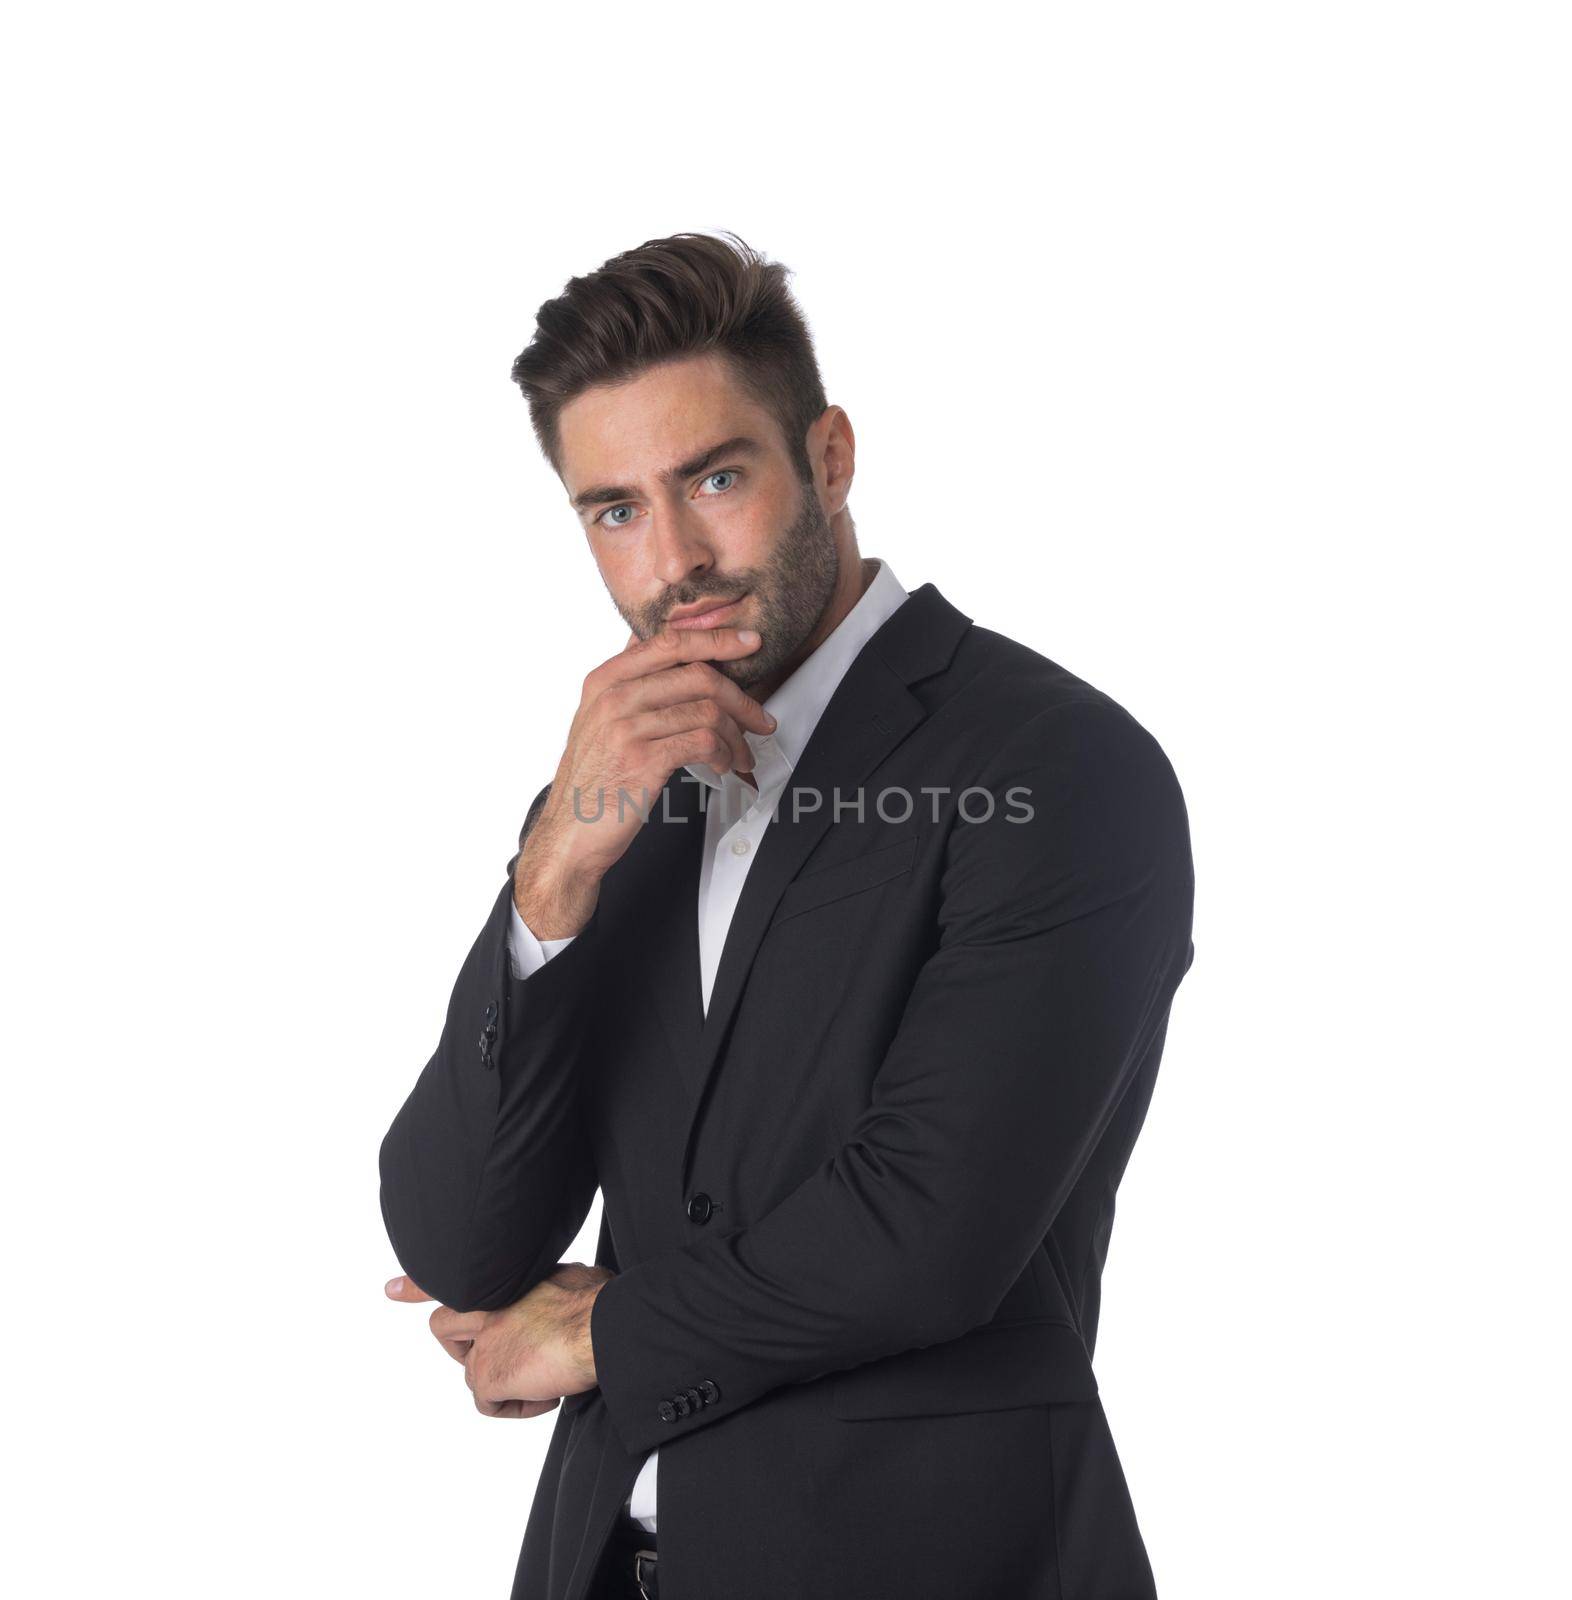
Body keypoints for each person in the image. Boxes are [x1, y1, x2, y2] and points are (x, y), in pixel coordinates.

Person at [378, 230, 1196, 1600]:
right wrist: (554, 876)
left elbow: (928, 1230)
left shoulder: (1053, 763)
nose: (677, 560)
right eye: (617, 511)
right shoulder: (618, 791)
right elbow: (460, 1243)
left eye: (715, 477)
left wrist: (605, 1333)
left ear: (826, 456)